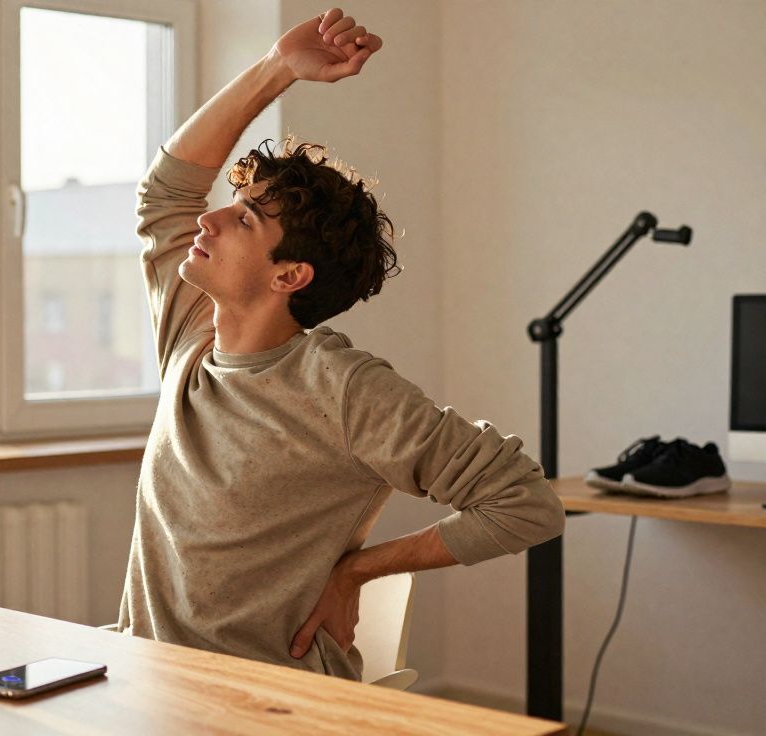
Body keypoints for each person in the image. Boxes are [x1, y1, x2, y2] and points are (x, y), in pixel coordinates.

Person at [116, 7, 566, 680]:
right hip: (150, 688)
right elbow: (166, 192)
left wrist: (359, 570)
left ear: (289, 275)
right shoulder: (190, 335)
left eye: (242, 218)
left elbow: (526, 503)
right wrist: (275, 68)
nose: (208, 219)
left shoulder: (342, 388)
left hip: (274, 706)